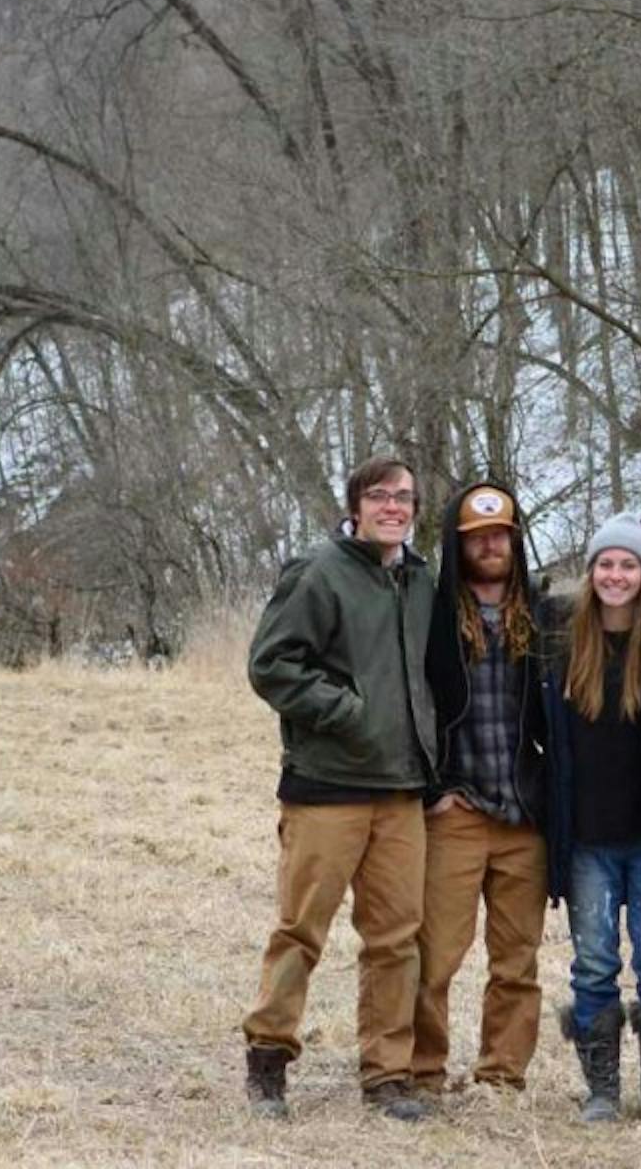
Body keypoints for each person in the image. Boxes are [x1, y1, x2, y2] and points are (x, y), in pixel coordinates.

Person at [240, 456, 438, 1123]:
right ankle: (268, 1060)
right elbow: (271, 664)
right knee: (302, 931)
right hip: (327, 785)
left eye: (404, 497)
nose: (393, 507)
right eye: (379, 496)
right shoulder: (320, 571)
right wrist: (346, 710)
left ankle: (387, 1076)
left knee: (396, 941)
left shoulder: (420, 580)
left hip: (403, 789)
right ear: (356, 505)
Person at [411, 482, 555, 1093]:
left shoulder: (546, 617)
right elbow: (406, 703)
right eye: (477, 537)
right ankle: (420, 1074)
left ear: (516, 542)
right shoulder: (431, 614)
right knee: (434, 956)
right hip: (459, 811)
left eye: (500, 535)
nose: (490, 545)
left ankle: (501, 1076)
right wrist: (433, 789)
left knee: (517, 961)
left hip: (524, 813)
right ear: (457, 543)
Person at [542, 514, 641, 1122]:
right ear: (590, 572)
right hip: (586, 840)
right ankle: (601, 1090)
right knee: (594, 962)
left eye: (628, 565)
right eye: (605, 564)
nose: (616, 575)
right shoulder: (563, 639)